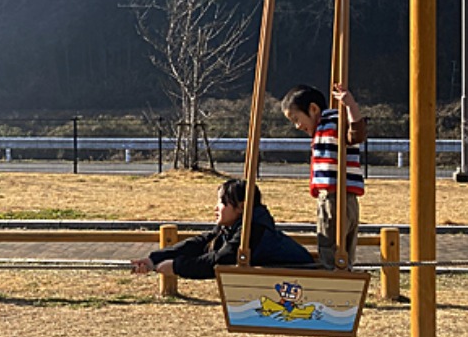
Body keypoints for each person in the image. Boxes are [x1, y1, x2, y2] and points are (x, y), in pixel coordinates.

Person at [131, 178, 314, 279]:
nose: (216, 208)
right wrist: (154, 259)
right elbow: (201, 243)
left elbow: (221, 260)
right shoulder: (234, 226)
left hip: (303, 278)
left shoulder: (252, 231)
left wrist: (177, 266)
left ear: (241, 206)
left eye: (222, 203)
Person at [281, 83, 367, 269]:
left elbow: (356, 134)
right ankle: (344, 274)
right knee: (344, 250)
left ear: (313, 109)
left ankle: (331, 273)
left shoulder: (334, 122)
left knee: (329, 245)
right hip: (346, 198)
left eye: (296, 119)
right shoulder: (324, 127)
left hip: (334, 197)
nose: (297, 126)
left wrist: (350, 105)